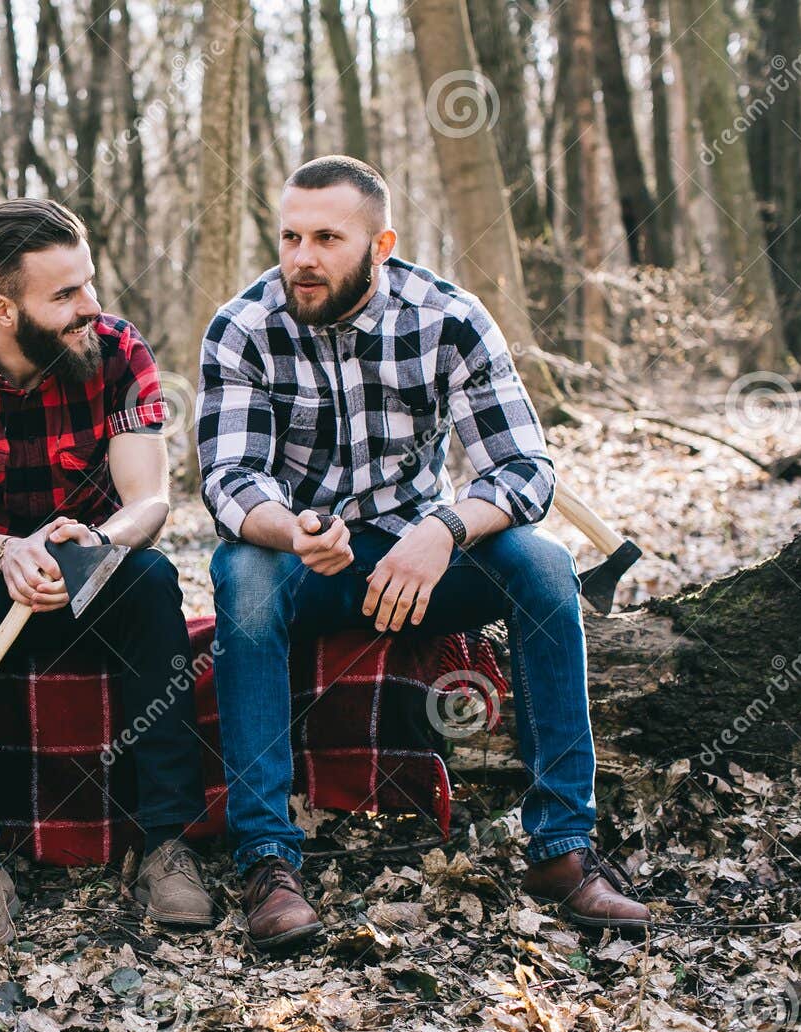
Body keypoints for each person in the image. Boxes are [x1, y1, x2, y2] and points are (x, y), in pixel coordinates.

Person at [197, 156, 650, 950]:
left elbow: (525, 470)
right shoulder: (243, 327)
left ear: (381, 243)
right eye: (291, 235)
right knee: (242, 573)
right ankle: (267, 860)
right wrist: (288, 527)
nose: (302, 257)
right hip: (306, 560)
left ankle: (561, 848)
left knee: (542, 565)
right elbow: (231, 479)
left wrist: (442, 530)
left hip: (424, 559)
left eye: (327, 238)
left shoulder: (449, 317)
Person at [0, 198, 214, 954]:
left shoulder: (119, 348)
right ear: (3, 307)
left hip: (93, 580)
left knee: (155, 578)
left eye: (89, 283)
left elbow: (151, 499)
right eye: (65, 294)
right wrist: (7, 552)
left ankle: (167, 843)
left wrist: (98, 541)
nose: (90, 307)